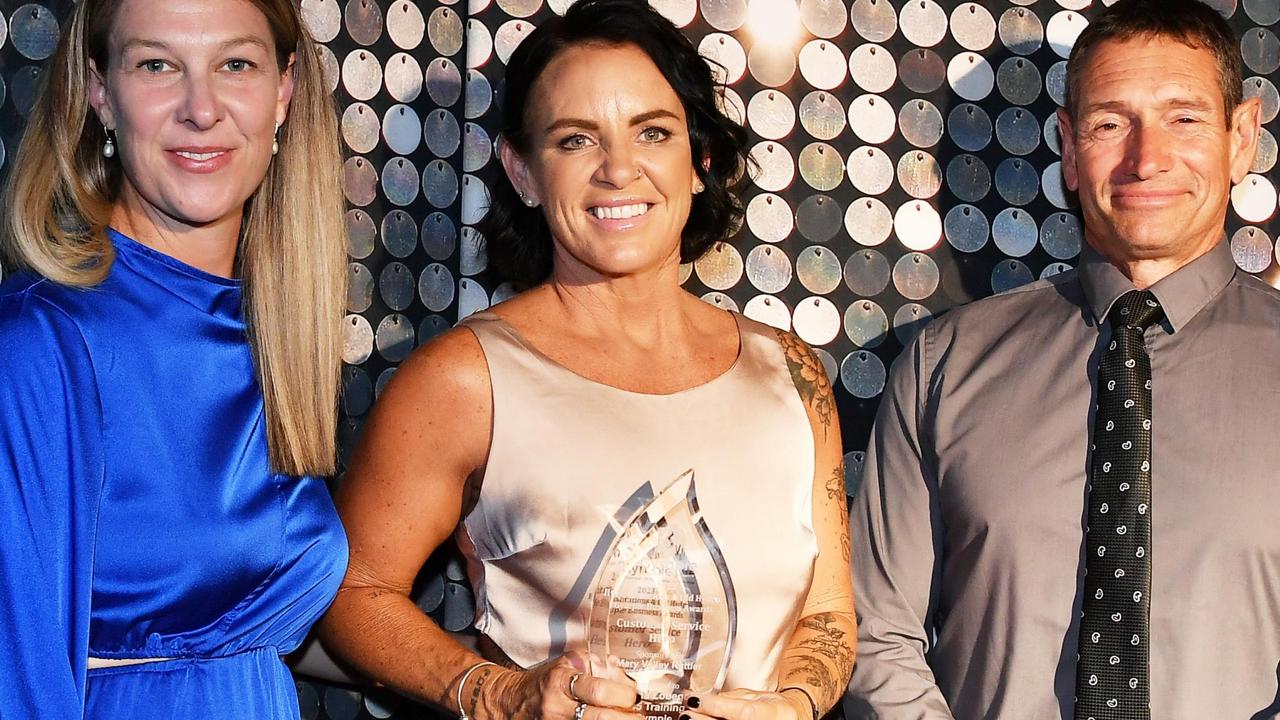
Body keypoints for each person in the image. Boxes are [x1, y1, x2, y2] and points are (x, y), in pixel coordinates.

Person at [318, 1, 854, 719]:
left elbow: (827, 613)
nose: (619, 169)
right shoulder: (466, 379)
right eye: (575, 140)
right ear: (523, 171)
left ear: (698, 162)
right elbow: (351, 592)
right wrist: (500, 696)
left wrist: (792, 704)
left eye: (653, 133)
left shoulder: (791, 373)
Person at [846, 0, 1280, 717]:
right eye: (1112, 124)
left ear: (1241, 139)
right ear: (1070, 152)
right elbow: (876, 634)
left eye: (1185, 119)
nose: (1147, 159)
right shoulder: (944, 368)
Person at [0, 0, 349, 717]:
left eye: (235, 64)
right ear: (100, 90)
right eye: (157, 64)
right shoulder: (42, 343)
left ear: (284, 89)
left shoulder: (276, 328)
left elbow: (241, 620)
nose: (201, 108)